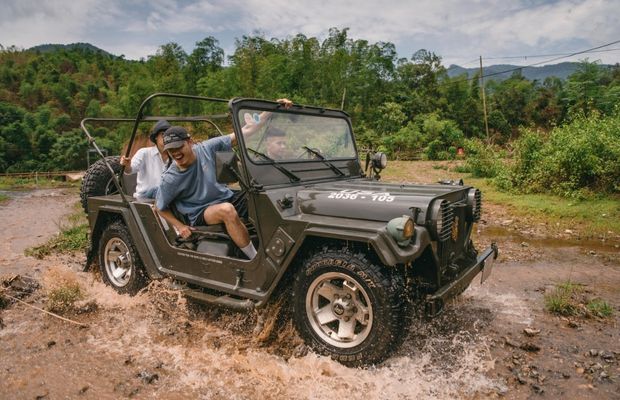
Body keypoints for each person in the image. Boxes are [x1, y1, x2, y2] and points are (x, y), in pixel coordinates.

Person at [155, 99, 292, 260]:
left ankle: (281, 250)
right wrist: (180, 226)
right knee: (226, 210)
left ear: (190, 142)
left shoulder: (206, 148)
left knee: (264, 198)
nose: (176, 153)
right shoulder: (170, 179)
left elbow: (246, 131)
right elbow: (159, 207)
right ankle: (256, 260)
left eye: (179, 147)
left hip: (224, 196)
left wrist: (271, 109)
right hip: (200, 211)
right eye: (171, 150)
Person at [120, 119, 170, 199]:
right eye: (163, 134)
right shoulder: (144, 153)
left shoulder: (175, 155)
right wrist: (127, 165)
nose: (166, 137)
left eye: (168, 135)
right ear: (156, 137)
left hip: (164, 197)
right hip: (145, 197)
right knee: (158, 190)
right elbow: (130, 170)